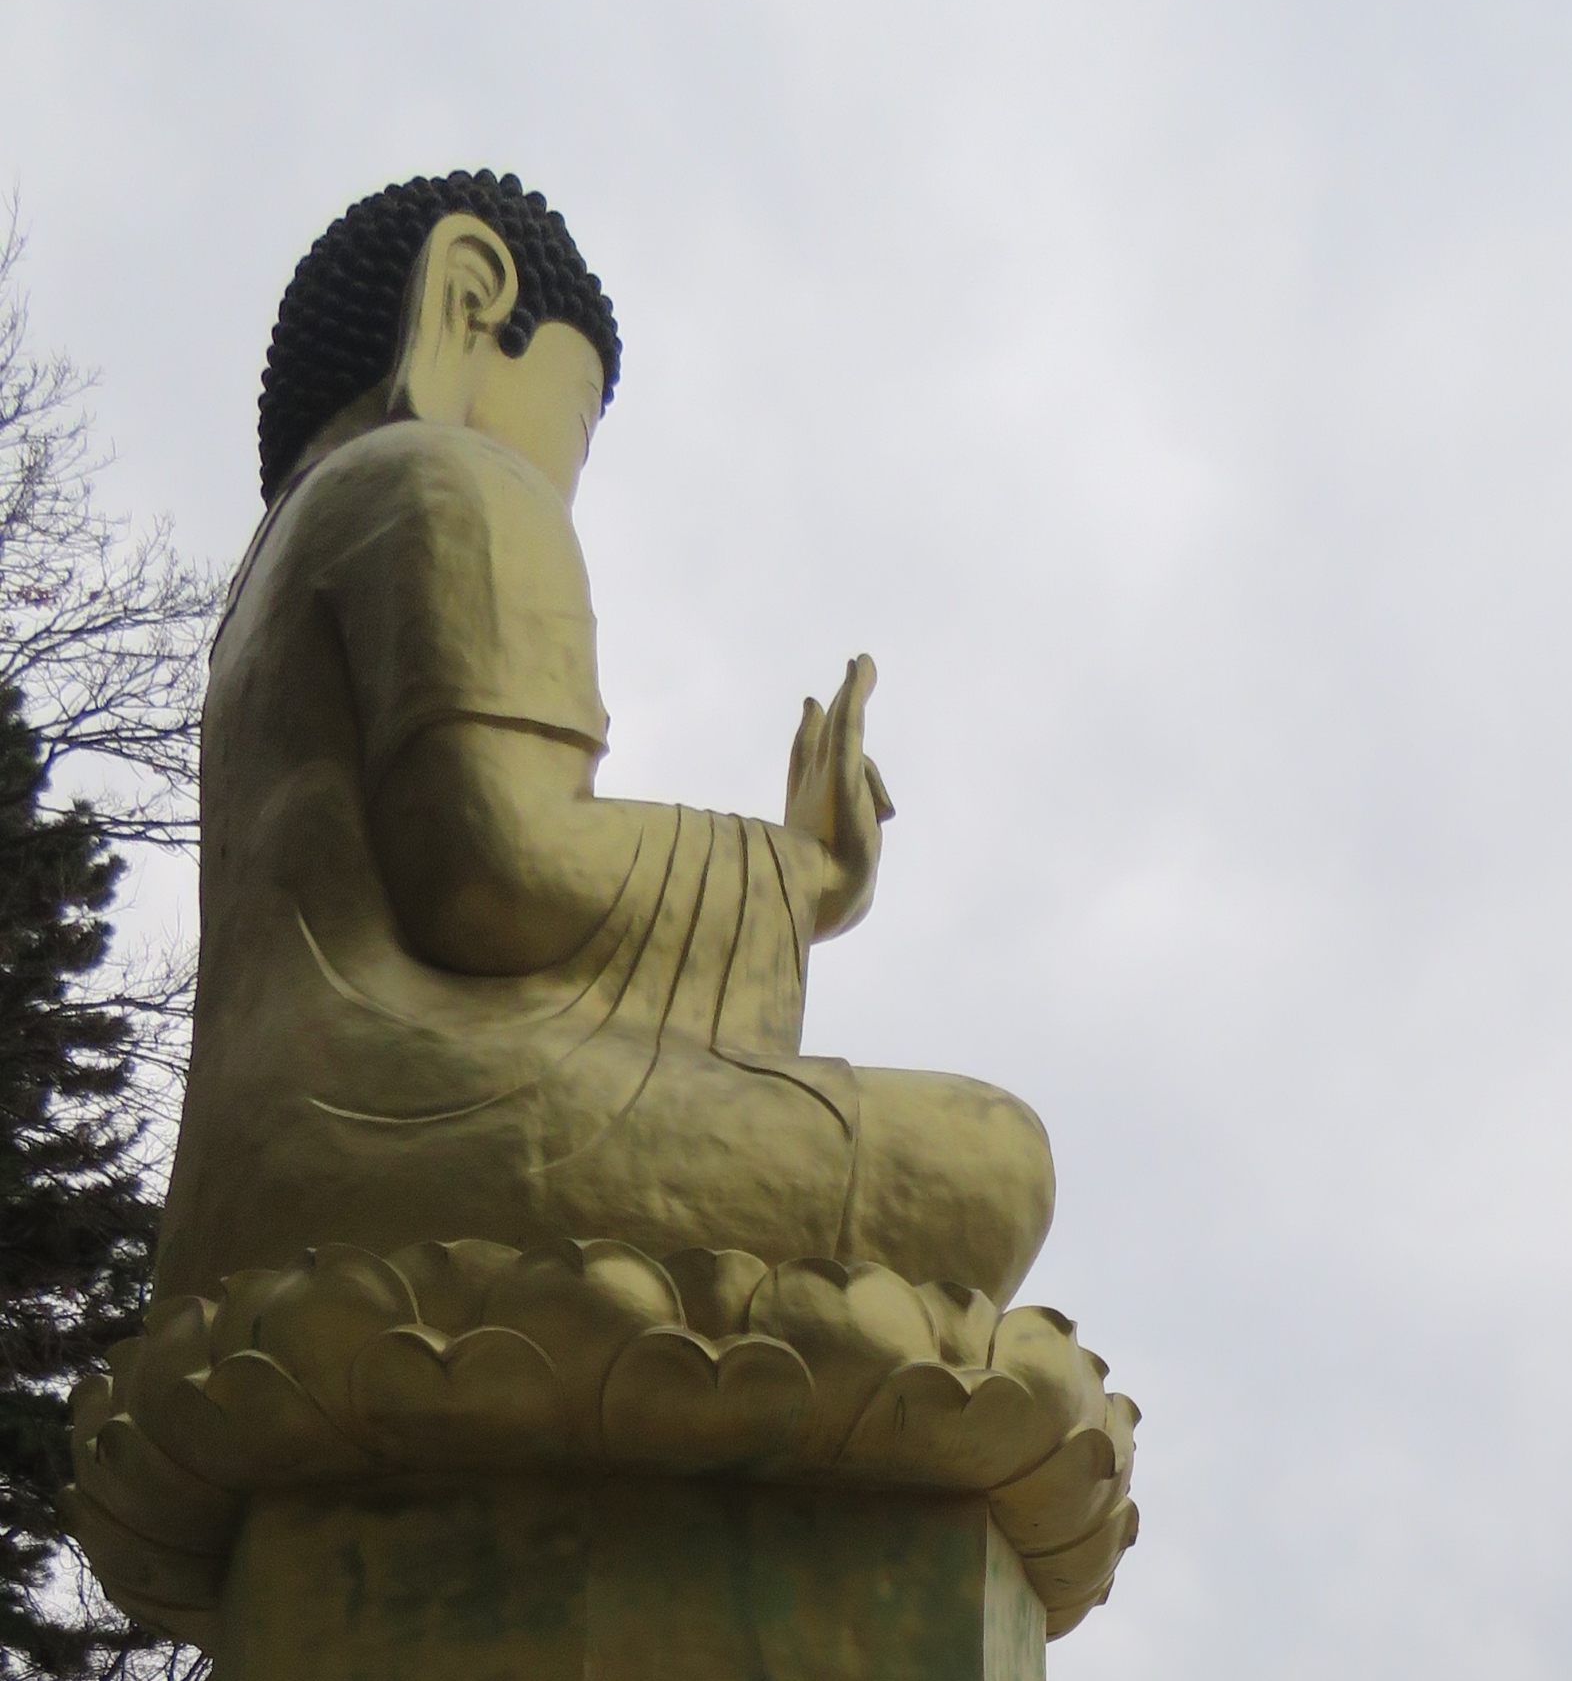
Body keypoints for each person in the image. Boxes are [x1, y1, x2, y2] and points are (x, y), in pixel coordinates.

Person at [157, 170, 1054, 1306]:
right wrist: (804, 877)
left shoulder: (255, 604)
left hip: (242, 1185)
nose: (566, 474)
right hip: (406, 1119)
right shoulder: (446, 477)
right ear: (467, 300)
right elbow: (496, 868)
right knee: (992, 1160)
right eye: (578, 420)